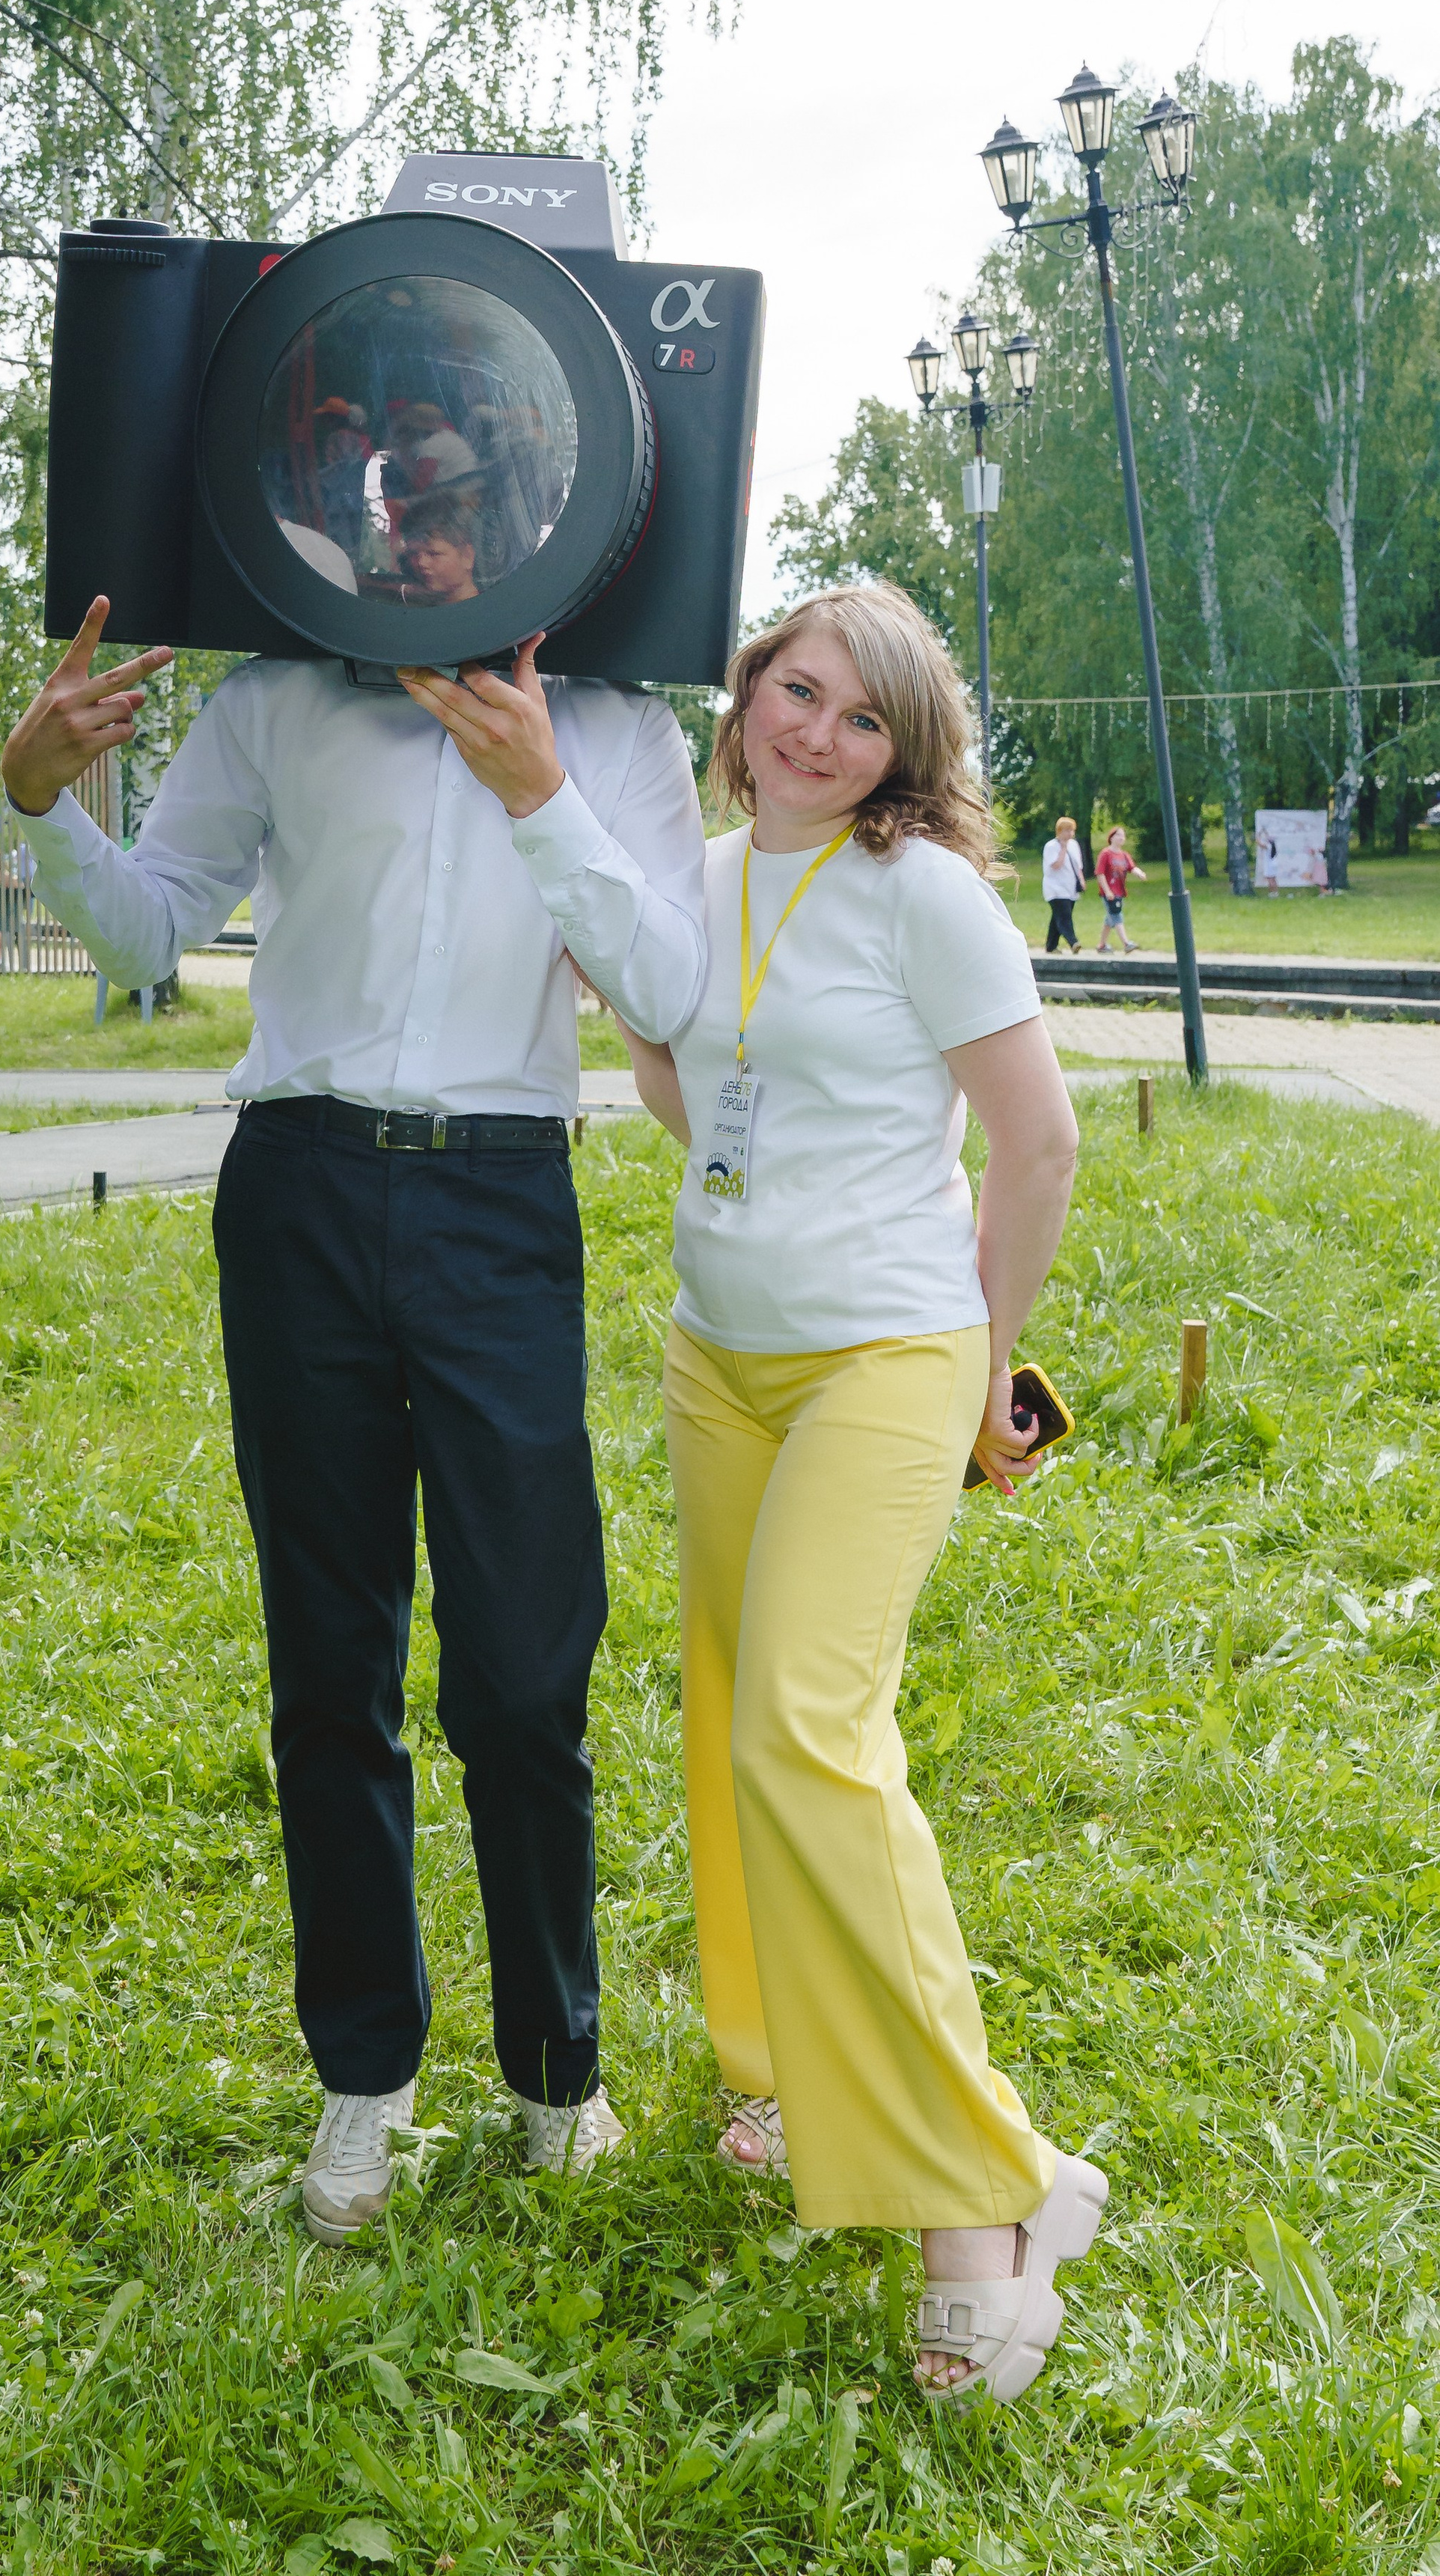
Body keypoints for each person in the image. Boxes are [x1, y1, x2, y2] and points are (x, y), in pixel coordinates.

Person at [0, 596, 707, 2242]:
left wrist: (541, 787)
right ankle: (363, 2078)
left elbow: (665, 984)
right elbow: (142, 931)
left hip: (499, 1196)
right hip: (302, 1186)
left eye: (482, 474)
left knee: (526, 1669)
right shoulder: (277, 700)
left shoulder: (618, 727)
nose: (442, 519)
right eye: (410, 474)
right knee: (331, 1661)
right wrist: (37, 800)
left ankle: (554, 2069)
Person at [609, 582, 1104, 2405]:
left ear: (903, 753)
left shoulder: (926, 895)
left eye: (860, 717)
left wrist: (985, 1360)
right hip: (714, 1352)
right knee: (729, 1712)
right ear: (741, 703)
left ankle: (984, 2200)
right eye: (792, 692)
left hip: (889, 1353)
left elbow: (1034, 1140)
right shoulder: (709, 883)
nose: (816, 734)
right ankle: (777, 2064)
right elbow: (695, 1093)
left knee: (808, 1731)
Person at [1093, 824, 1144, 952]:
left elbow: (1132, 868)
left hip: (1120, 891)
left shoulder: (1124, 855)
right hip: (1109, 893)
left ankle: (1102, 945)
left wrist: (1140, 873)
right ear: (1111, 838)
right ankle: (1126, 944)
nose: (1121, 838)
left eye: (1123, 835)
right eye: (1118, 835)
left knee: (1110, 919)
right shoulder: (1106, 854)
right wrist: (1107, 891)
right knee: (1116, 916)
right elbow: (1100, 874)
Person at [1040, 813, 1084, 953]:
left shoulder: (1075, 845)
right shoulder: (1051, 846)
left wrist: (1081, 880)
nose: (1070, 834)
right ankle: (1073, 942)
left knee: (1058, 917)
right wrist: (1063, 848)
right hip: (1055, 889)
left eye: (1072, 831)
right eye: (1067, 830)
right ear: (1060, 831)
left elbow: (1078, 866)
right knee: (1064, 915)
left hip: (1069, 887)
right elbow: (1056, 865)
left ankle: (1051, 946)